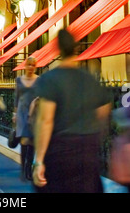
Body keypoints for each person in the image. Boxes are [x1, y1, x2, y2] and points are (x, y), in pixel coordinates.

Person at [32, 28, 112, 193]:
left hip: (60, 153)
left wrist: (38, 160)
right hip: (87, 152)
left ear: (59, 50)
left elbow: (45, 120)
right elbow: (104, 110)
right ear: (76, 48)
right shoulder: (90, 79)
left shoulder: (50, 79)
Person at [13, 56, 38, 181]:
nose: (31, 67)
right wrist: (15, 114)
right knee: (24, 140)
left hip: (35, 113)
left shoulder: (39, 80)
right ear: (25, 66)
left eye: (33, 65)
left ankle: (29, 168)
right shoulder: (19, 80)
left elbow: (41, 95)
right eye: (29, 65)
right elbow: (16, 98)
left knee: (32, 140)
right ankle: (24, 168)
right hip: (22, 112)